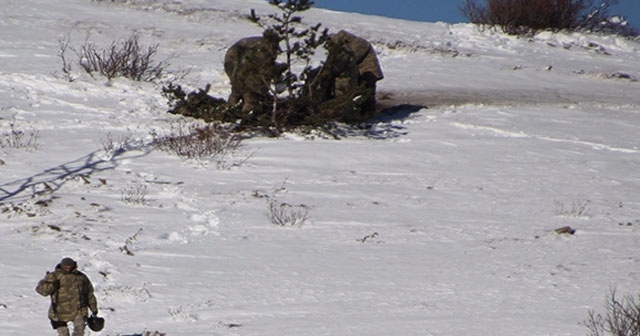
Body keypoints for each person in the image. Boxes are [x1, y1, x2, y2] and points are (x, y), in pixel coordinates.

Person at [36, 257, 99, 336]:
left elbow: (89, 293)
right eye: (65, 267)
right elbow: (41, 291)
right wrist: (52, 286)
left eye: (69, 267)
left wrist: (93, 308)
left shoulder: (81, 277)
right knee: (63, 333)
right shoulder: (54, 276)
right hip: (59, 312)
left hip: (78, 310)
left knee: (80, 331)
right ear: (62, 266)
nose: (67, 269)